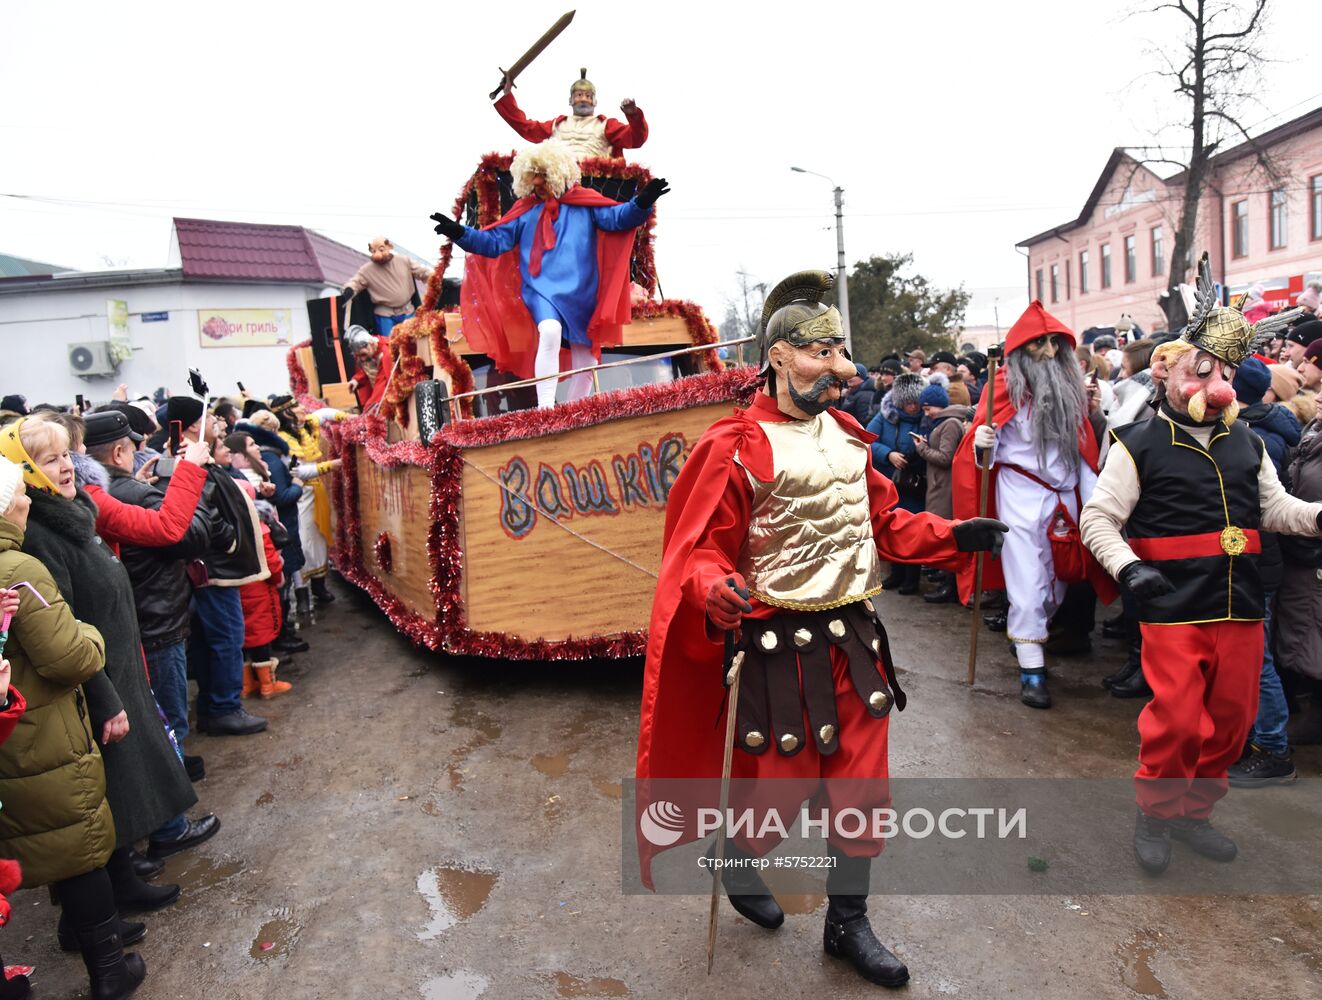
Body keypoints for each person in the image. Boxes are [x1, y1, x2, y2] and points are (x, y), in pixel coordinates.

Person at [635, 269, 1006, 989]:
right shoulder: (734, 446)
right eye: (821, 353)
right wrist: (716, 589)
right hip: (776, 649)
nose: (843, 369)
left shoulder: (846, 438)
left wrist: (955, 534)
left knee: (861, 791)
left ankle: (848, 924)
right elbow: (698, 551)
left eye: (841, 352)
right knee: (779, 791)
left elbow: (885, 524)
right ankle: (739, 855)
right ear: (778, 356)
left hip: (856, 644)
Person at [1078, 267, 1318, 874]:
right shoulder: (1136, 442)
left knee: (1232, 727)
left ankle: (1193, 815)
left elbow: (1276, 509)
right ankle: (1156, 812)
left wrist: (1318, 517)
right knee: (1179, 721)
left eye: (1227, 373)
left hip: (1241, 605)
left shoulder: (1250, 443)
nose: (1215, 383)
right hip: (1172, 606)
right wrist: (1130, 572)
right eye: (1202, 369)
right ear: (1172, 372)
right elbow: (1099, 520)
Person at [2, 415, 219, 913]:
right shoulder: (40, 534)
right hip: (95, 678)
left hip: (118, 661)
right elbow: (168, 529)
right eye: (50, 459)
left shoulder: (74, 510)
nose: (66, 467)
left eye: (66, 455)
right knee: (103, 788)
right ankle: (99, 910)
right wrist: (103, 696)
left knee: (120, 782)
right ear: (23, 473)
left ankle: (121, 883)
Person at [0, 456, 148, 999]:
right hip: (41, 733)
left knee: (51, 841)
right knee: (77, 843)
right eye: (18, 493)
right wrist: (90, 632)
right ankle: (109, 973)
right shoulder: (18, 569)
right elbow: (68, 657)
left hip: (14, 734)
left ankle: (73, 932)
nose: (26, 502)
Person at [951, 301, 1114, 708]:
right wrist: (981, 444)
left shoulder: (1072, 392)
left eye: (1055, 342)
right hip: (1019, 495)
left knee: (1058, 580)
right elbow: (980, 454)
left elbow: (1083, 450)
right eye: (1039, 343)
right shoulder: (1001, 387)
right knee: (1026, 581)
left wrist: (1094, 500)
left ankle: (1029, 637)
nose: (1049, 351)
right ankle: (1032, 670)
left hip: (1064, 497)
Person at [432, 140, 667, 409]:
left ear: (558, 173)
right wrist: (459, 233)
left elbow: (619, 217)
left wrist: (643, 202)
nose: (537, 183)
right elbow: (493, 242)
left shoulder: (585, 204)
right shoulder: (525, 211)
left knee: (587, 359)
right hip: (540, 289)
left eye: (543, 176)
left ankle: (573, 411)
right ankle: (546, 407)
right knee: (550, 330)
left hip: (582, 292)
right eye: (533, 177)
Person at [85, 411, 215, 777]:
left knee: (161, 717)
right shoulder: (117, 496)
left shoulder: (108, 492)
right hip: (156, 624)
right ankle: (173, 821)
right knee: (168, 720)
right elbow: (182, 532)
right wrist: (191, 473)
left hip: (143, 621)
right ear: (118, 453)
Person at [158, 398, 271, 737]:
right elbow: (202, 507)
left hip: (215, 565)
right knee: (226, 637)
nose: (218, 425)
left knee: (217, 638)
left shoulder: (191, 454)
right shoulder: (188, 459)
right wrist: (229, 542)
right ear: (195, 425)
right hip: (215, 568)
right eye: (210, 419)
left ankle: (216, 704)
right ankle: (224, 707)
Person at [269, 396, 343, 608]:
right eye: (296, 407)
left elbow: (323, 414)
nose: (302, 408)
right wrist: (329, 466)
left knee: (319, 538)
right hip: (299, 494)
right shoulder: (283, 439)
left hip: (316, 491)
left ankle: (319, 586)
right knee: (301, 540)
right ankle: (302, 591)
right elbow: (297, 471)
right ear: (287, 413)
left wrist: (348, 417)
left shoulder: (305, 425)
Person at [493, 68, 647, 161]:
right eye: (579, 95)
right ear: (570, 100)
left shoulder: (605, 125)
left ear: (595, 101)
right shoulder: (557, 125)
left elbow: (636, 139)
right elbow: (525, 126)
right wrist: (507, 93)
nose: (583, 99)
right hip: (558, 185)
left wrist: (633, 116)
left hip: (595, 186)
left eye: (587, 96)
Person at [866, 372, 927, 595]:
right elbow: (867, 440)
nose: (913, 407)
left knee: (914, 530)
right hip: (891, 482)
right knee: (893, 528)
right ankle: (896, 573)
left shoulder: (926, 417)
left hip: (916, 483)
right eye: (908, 403)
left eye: (916, 402)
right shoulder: (886, 416)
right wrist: (888, 454)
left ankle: (912, 577)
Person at [912, 382, 972, 604]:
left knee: (947, 536)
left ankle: (950, 587)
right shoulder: (945, 422)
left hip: (944, 488)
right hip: (941, 486)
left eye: (928, 409)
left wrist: (922, 448)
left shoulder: (949, 424)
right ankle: (947, 581)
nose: (926, 413)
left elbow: (946, 458)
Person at [340, 238, 435, 338]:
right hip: (384, 315)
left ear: (389, 247)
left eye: (381, 249)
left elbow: (421, 272)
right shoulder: (367, 270)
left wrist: (435, 277)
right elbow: (356, 281)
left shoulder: (403, 261)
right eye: (373, 251)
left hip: (407, 311)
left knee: (412, 343)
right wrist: (349, 289)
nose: (377, 254)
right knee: (388, 345)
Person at [346, 326, 395, 410]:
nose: (362, 359)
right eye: (358, 356)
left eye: (363, 355)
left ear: (371, 344)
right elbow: (364, 371)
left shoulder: (385, 354)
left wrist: (369, 409)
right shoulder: (365, 353)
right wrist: (356, 380)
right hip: (374, 392)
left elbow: (383, 384)